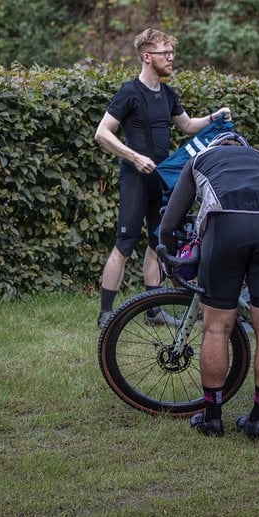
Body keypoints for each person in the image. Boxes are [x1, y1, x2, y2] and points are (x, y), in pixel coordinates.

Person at [94, 27, 231, 328]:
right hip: (135, 179)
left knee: (158, 244)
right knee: (124, 243)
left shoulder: (168, 94)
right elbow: (102, 133)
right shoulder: (129, 92)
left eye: (172, 53)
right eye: (164, 53)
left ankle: (153, 310)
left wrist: (214, 118)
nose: (171, 58)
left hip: (162, 180)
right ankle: (106, 312)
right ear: (147, 57)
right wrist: (134, 156)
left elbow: (187, 126)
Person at [159, 131, 259, 439]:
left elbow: (169, 223)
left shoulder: (199, 160)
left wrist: (169, 259)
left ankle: (213, 418)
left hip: (225, 228)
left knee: (217, 327)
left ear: (215, 147)